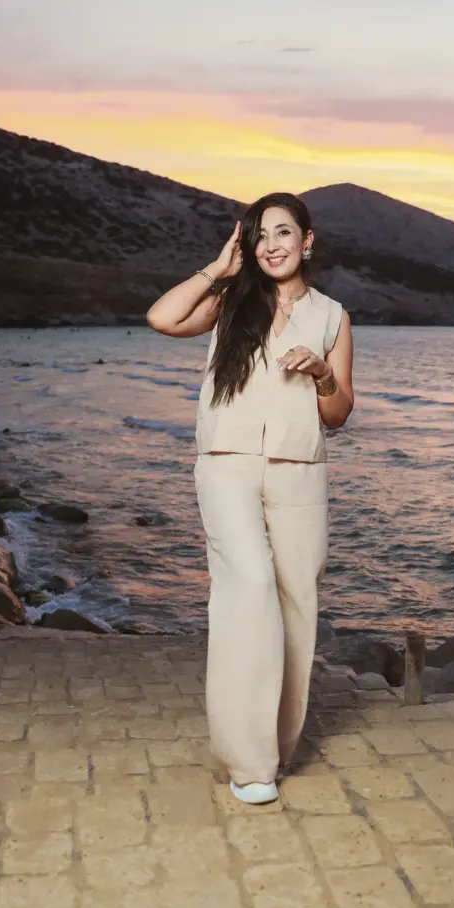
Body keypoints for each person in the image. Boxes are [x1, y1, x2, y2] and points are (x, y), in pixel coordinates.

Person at [147, 192, 354, 804]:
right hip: (227, 466)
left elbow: (339, 413)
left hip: (299, 472)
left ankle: (277, 747)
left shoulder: (333, 316)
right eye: (259, 234)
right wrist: (218, 269)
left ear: (307, 241)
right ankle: (248, 762)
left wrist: (321, 373)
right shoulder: (229, 302)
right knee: (250, 586)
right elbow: (162, 318)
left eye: (283, 232)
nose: (271, 245)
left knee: (296, 604)